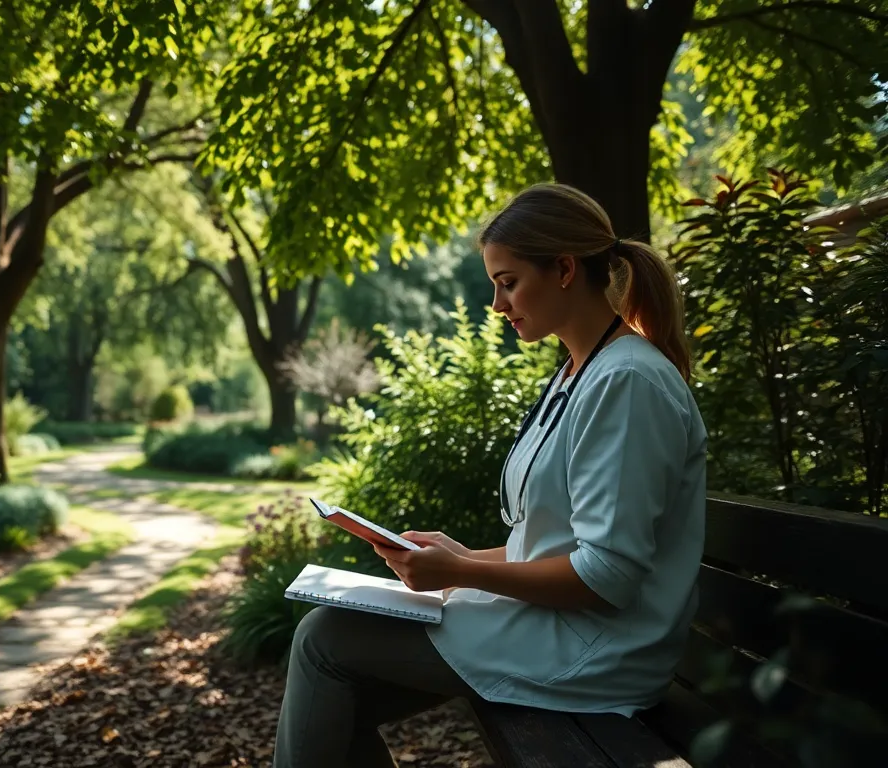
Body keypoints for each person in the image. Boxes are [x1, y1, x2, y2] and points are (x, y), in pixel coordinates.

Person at [272, 183, 709, 768]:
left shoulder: (625, 381)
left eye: (508, 282)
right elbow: (558, 543)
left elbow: (608, 575)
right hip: (561, 630)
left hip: (600, 652)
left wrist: (458, 572)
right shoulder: (581, 372)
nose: (498, 305)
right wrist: (465, 561)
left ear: (562, 269)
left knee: (324, 640)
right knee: (332, 678)